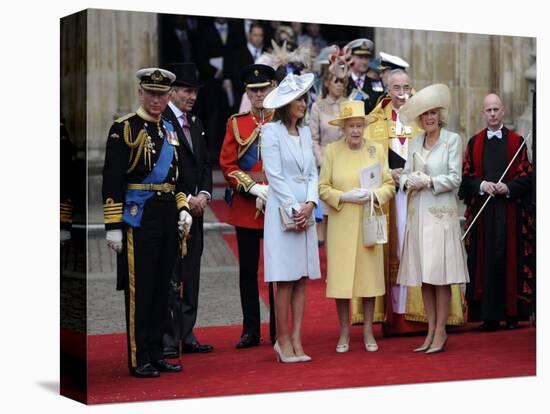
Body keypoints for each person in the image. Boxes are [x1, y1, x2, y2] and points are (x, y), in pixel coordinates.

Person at [102, 67, 193, 377]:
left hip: (167, 214)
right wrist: (113, 225)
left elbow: (178, 178)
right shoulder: (123, 128)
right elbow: (112, 179)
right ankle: (139, 357)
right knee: (140, 288)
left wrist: (183, 208)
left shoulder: (169, 130)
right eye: (151, 93)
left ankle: (157, 353)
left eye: (162, 94)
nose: (156, 99)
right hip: (139, 218)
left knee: (162, 287)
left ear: (169, 97)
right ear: (141, 93)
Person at [397, 83, 469, 353]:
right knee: (425, 277)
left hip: (441, 216)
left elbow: (454, 177)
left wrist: (429, 180)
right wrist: (408, 181)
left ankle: (441, 331)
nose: (429, 118)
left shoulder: (452, 139)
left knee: (441, 276)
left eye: (433, 113)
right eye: (425, 114)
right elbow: (404, 172)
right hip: (419, 216)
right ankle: (429, 330)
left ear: (440, 115)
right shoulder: (415, 141)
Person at [319, 100, 395, 352]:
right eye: (350, 125)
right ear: (342, 127)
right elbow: (322, 188)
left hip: (367, 220)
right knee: (342, 281)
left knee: (369, 279)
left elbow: (388, 185)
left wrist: (373, 196)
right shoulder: (332, 151)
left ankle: (368, 332)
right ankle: (343, 333)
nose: (355, 130)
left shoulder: (375, 149)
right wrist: (343, 197)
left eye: (359, 125)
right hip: (341, 223)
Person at [459, 93, 534, 331]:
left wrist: (508, 187)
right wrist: (483, 185)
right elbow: (466, 179)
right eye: (488, 110)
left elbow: (528, 177)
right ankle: (488, 316)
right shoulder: (474, 143)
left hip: (510, 212)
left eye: (496, 109)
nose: (492, 114)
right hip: (485, 214)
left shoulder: (517, 142)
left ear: (503, 111)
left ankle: (512, 315)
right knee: (485, 261)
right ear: (483, 113)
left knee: (511, 260)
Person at [261, 72, 321, 363]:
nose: (304, 102)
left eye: (305, 97)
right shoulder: (270, 132)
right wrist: (294, 207)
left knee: (301, 278)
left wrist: (310, 202)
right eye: (298, 98)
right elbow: (274, 174)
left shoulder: (307, 133)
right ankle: (282, 339)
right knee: (283, 278)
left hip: (305, 212)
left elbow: (312, 173)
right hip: (282, 213)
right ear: (285, 103)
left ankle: (297, 338)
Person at [362, 69, 425, 335]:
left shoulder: (423, 117)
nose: (402, 94)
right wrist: (390, 174)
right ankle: (395, 315)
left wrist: (412, 175)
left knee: (417, 250)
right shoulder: (374, 121)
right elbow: (367, 161)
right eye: (396, 89)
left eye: (406, 88)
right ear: (387, 91)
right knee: (395, 249)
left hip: (416, 194)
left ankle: (421, 313)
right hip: (389, 197)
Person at [219, 64, 277, 349]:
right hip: (246, 203)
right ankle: (250, 330)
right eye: (253, 90)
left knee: (279, 270)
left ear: (273, 88)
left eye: (263, 89)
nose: (258, 94)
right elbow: (227, 164)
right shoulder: (236, 122)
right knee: (248, 271)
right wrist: (251, 187)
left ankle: (280, 329)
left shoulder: (283, 119)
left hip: (278, 203)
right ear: (246, 92)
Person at [161, 62, 214, 355]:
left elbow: (205, 163)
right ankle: (169, 337)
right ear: (171, 92)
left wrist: (204, 193)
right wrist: (185, 198)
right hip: (173, 209)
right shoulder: (163, 120)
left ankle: (187, 332)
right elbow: (164, 168)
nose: (191, 96)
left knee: (191, 273)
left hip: (197, 209)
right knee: (172, 274)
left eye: (194, 91)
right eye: (185, 90)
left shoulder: (195, 121)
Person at [310, 47, 349, 244]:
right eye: (336, 81)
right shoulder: (318, 106)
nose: (340, 85)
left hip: (344, 158)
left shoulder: (349, 104)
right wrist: (321, 162)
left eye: (342, 82)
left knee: (340, 204)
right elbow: (313, 138)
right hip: (323, 159)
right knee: (324, 205)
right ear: (327, 83)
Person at [344, 38, 384, 115]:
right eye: (360, 57)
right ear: (351, 58)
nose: (364, 62)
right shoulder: (343, 82)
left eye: (366, 58)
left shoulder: (376, 83)